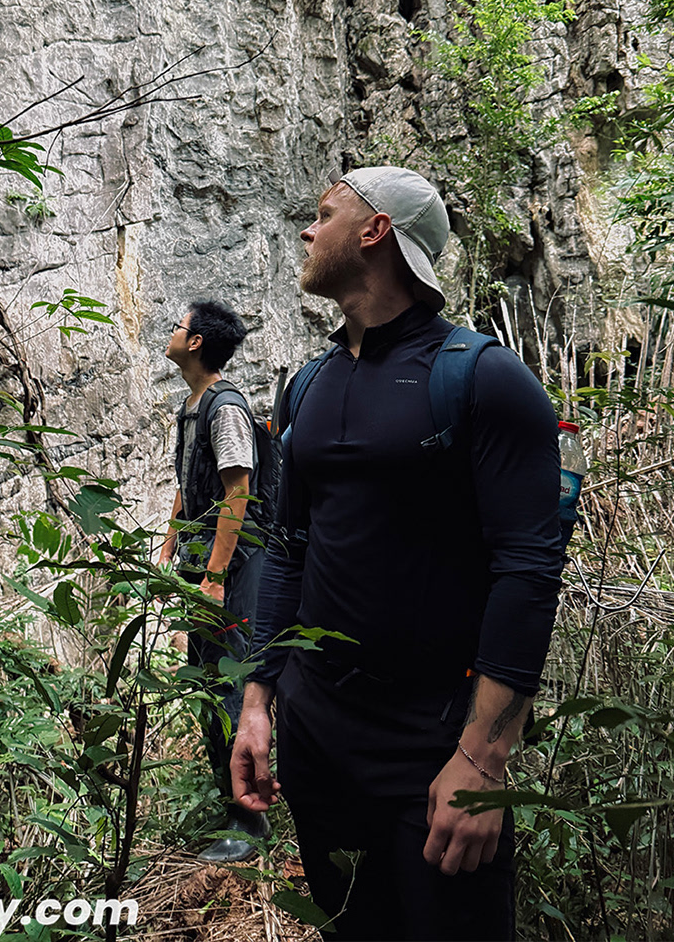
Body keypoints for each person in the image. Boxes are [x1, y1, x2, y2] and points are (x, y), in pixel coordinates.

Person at [230, 168, 563, 940]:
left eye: (324, 214)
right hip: (317, 738)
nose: (308, 231)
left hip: (433, 743)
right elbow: (288, 548)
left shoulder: (485, 379)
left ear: (375, 231)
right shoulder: (306, 387)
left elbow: (527, 571)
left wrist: (482, 760)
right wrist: (257, 704)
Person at [155, 299, 269, 863]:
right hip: (201, 563)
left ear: (196, 342)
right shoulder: (192, 407)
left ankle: (250, 821)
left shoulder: (225, 408)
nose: (172, 332)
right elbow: (189, 481)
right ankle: (229, 802)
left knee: (230, 683)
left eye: (178, 326)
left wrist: (216, 577)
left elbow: (237, 491)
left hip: (233, 565)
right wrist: (170, 544)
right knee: (205, 679)